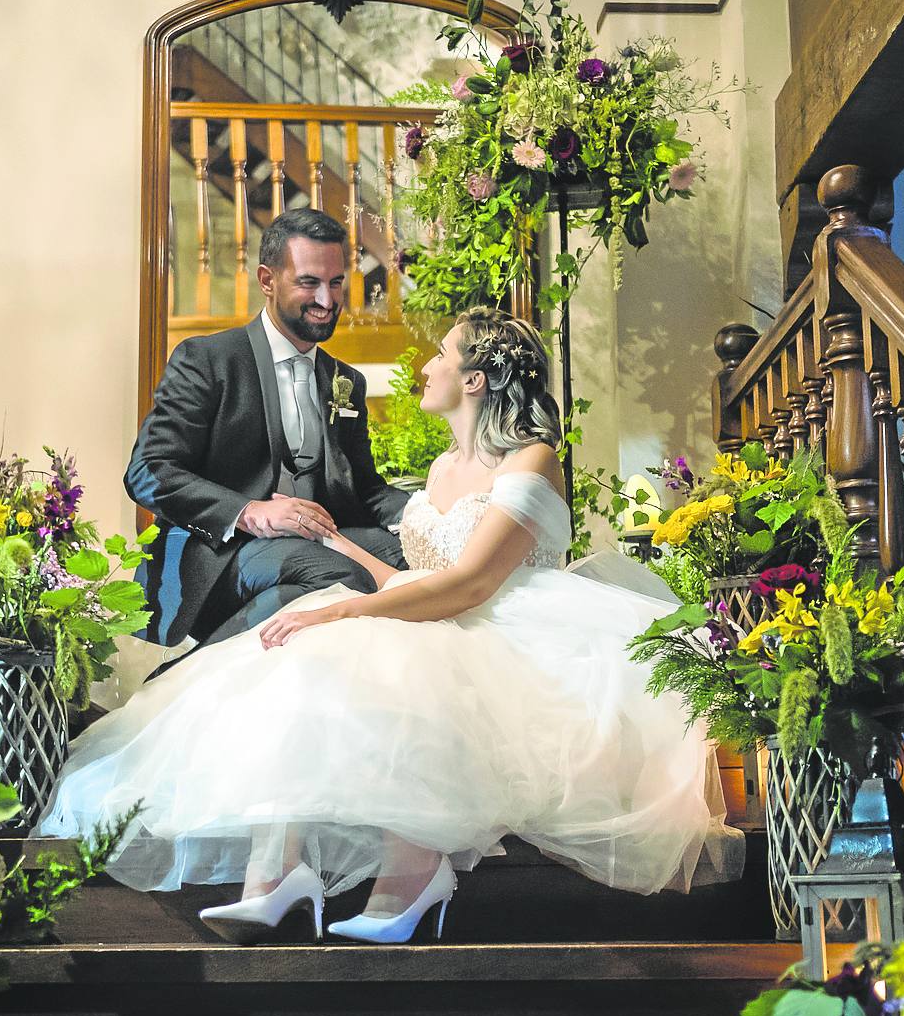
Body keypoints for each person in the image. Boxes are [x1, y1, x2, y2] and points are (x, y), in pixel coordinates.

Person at [37, 308, 741, 943]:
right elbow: (413, 577)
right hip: (442, 612)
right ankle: (277, 872)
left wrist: (345, 604)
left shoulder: (532, 459)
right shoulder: (441, 468)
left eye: (441, 354)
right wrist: (339, 553)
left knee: (395, 654)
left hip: (513, 625)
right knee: (310, 646)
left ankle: (409, 876)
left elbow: (469, 583)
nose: (425, 366)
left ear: (474, 378)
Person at [124, 208, 409, 653]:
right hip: (222, 555)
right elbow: (148, 471)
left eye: (336, 283)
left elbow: (366, 491)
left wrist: (435, 513)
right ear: (267, 279)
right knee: (340, 575)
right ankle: (191, 671)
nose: (327, 300)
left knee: (411, 561)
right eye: (309, 282)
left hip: (315, 544)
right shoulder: (208, 360)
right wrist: (249, 511)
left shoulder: (346, 382)